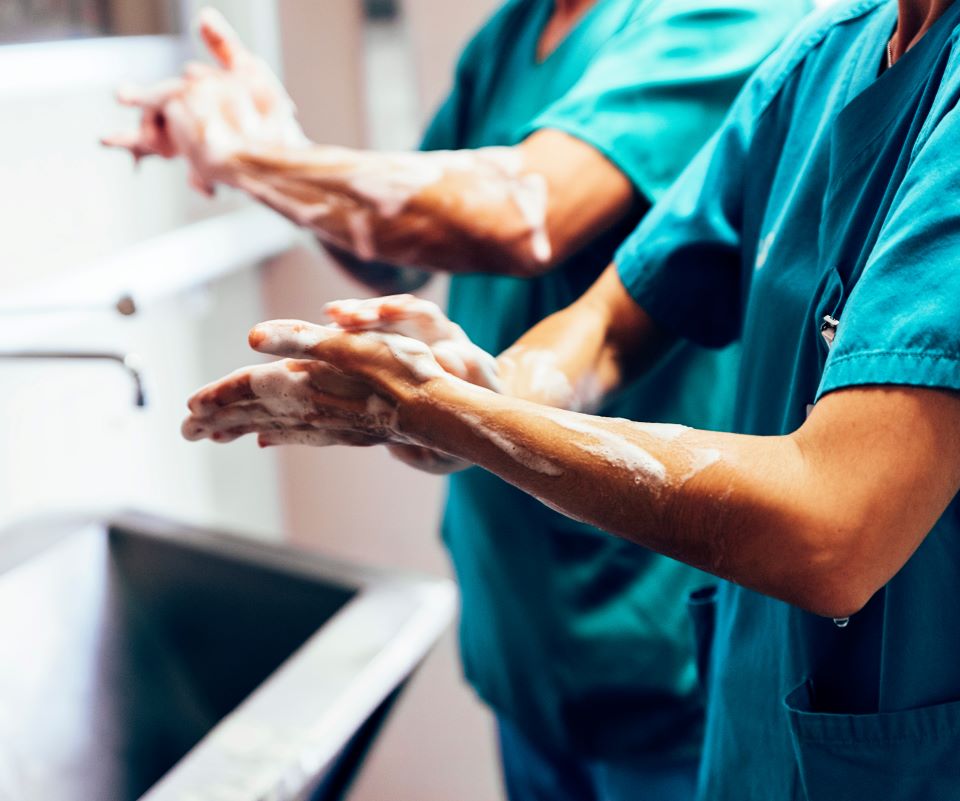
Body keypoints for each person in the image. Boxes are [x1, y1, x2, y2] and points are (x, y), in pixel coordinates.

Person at [183, 0, 960, 798]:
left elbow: (833, 529)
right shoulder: (827, 54)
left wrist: (454, 414)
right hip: (733, 720)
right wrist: (487, 388)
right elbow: (613, 319)